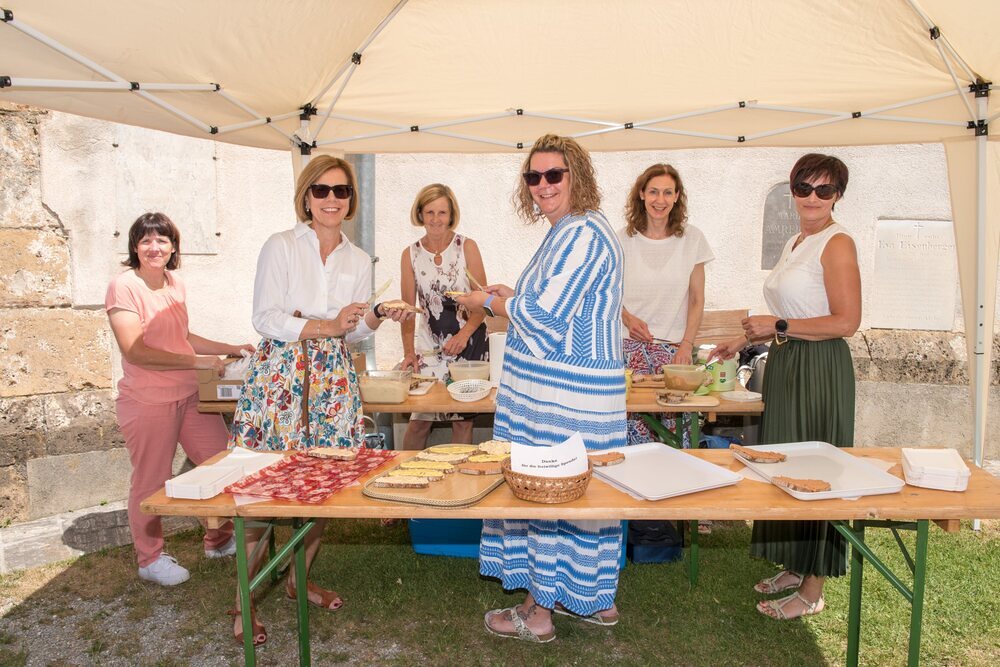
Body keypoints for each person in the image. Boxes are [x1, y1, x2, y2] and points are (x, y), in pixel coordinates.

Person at [228, 155, 411, 645]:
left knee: (323, 483)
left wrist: (376, 315)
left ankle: (298, 580)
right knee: (263, 486)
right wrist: (325, 323)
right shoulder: (281, 245)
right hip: (281, 377)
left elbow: (351, 333)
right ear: (306, 197)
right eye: (322, 190)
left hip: (332, 378)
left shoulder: (360, 259)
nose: (332, 198)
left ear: (351, 200)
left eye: (342, 190)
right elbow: (265, 316)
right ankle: (243, 600)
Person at [456, 134, 627, 643]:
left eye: (554, 174)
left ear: (577, 176)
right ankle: (592, 598)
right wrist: (513, 293)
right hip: (566, 390)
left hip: (563, 397)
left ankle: (538, 611)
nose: (543, 185)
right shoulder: (571, 229)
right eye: (534, 176)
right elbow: (556, 300)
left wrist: (489, 303)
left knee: (550, 495)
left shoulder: (582, 233)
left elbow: (547, 319)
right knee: (580, 502)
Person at [714, 153, 861, 621]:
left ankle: (813, 587)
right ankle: (796, 565)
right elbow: (789, 315)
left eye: (824, 189)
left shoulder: (837, 243)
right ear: (792, 191)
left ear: (838, 195)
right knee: (787, 463)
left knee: (818, 468)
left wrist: (777, 325)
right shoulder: (797, 241)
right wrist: (742, 340)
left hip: (818, 367)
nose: (812, 197)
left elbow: (847, 322)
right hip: (787, 360)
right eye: (803, 188)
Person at [105, 212, 255, 587]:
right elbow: (136, 350)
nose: (154, 247)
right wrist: (197, 362)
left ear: (173, 247)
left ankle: (217, 539)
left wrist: (229, 347)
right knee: (152, 479)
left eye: (162, 240)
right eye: (145, 240)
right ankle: (150, 559)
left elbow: (182, 336)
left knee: (220, 463)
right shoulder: (124, 287)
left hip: (189, 395)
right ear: (135, 247)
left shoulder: (175, 283)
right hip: (148, 400)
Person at [618, 163, 713, 447]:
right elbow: (607, 294)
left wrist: (686, 345)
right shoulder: (621, 240)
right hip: (628, 352)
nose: (660, 200)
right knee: (632, 439)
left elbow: (696, 299)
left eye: (667, 192)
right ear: (642, 194)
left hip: (674, 355)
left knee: (677, 441)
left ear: (677, 196)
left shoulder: (693, 239)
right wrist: (627, 319)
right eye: (653, 192)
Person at [398, 183, 489, 449]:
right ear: (420, 215)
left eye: (442, 212)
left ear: (451, 215)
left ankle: (460, 473)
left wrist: (464, 335)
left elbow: (484, 301)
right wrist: (409, 353)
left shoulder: (467, 247)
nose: (436, 219)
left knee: (462, 421)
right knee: (419, 418)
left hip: (469, 343)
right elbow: (407, 310)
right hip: (429, 346)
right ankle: (408, 472)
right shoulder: (410, 254)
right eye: (430, 212)